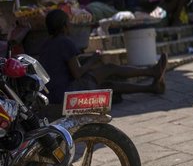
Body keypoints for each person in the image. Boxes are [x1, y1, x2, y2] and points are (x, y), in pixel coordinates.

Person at [39, 9, 167, 109]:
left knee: (108, 86)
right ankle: (151, 72)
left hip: (54, 94)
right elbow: (77, 73)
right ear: (64, 26)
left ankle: (151, 87)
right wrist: (93, 59)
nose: (71, 25)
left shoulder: (45, 44)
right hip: (65, 94)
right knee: (109, 69)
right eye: (69, 22)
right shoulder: (65, 42)